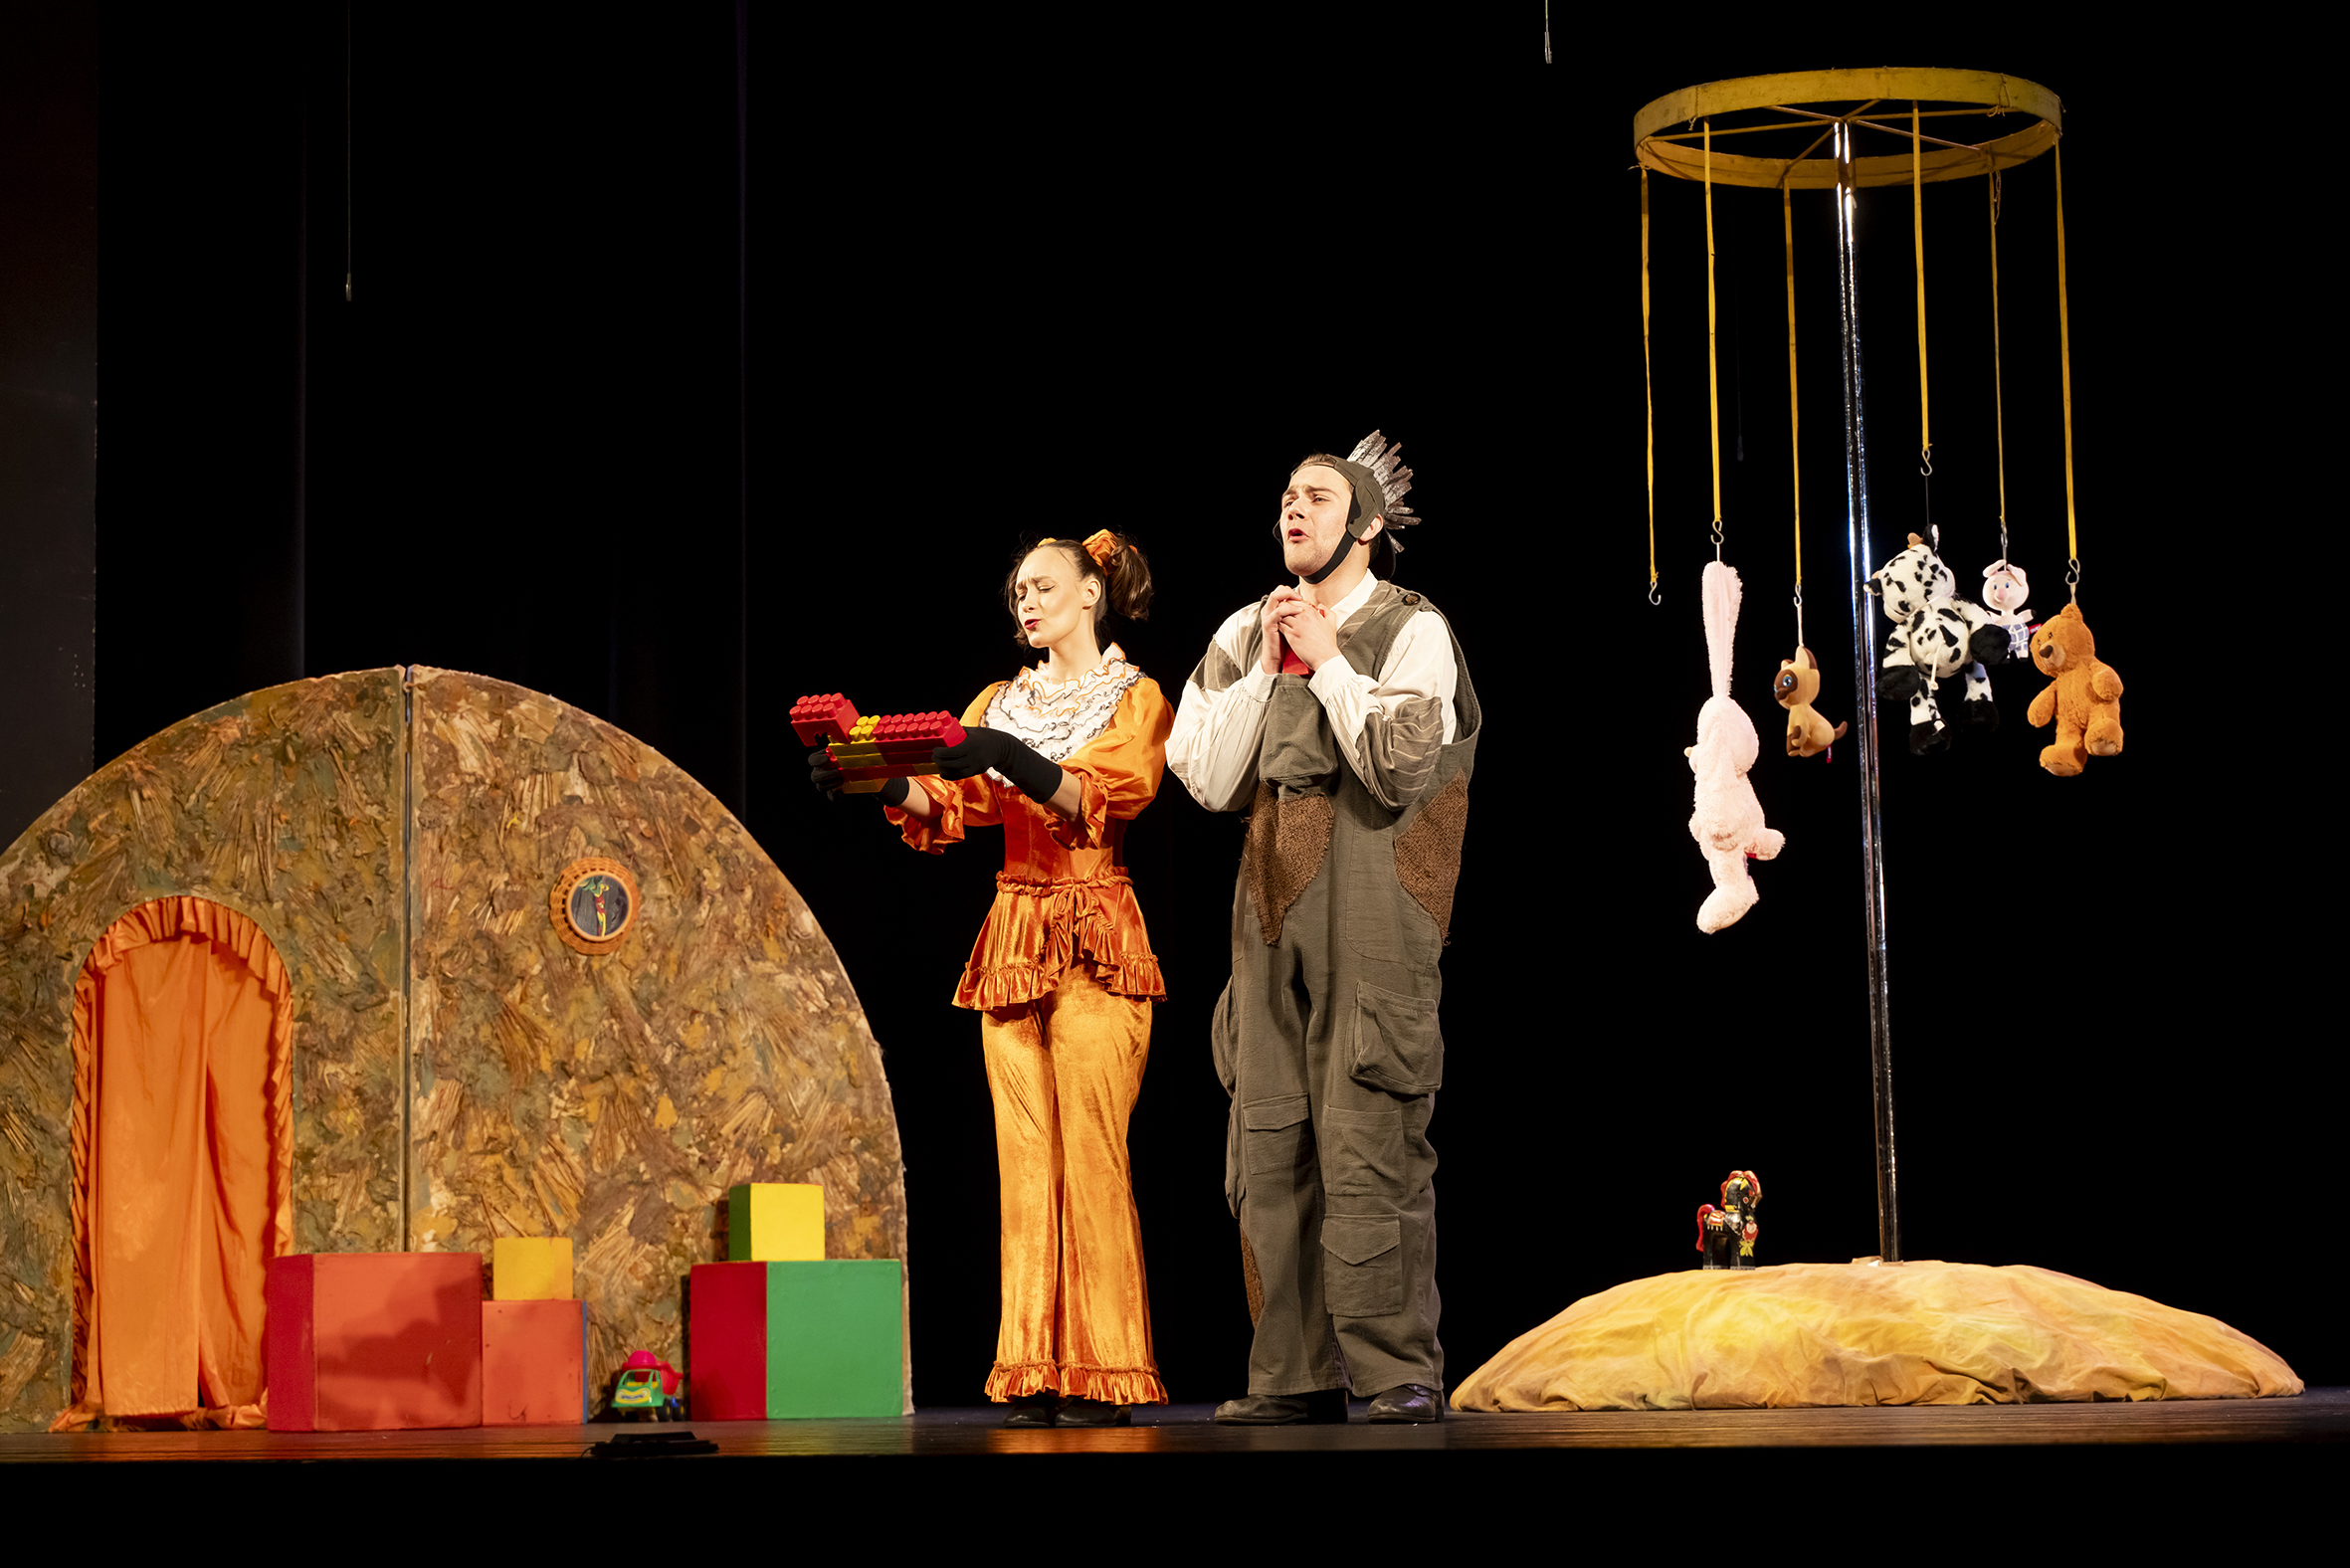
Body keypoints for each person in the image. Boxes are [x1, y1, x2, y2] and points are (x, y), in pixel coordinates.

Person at [810, 529, 1171, 1428]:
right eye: (1019, 592)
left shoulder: (1134, 696)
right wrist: (877, 782)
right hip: (1014, 937)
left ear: (1091, 593)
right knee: (1025, 1161)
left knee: (1092, 1155)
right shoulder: (999, 701)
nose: (1028, 602)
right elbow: (947, 806)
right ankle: (1035, 1370)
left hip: (1096, 932)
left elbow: (1103, 798)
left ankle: (1106, 1371)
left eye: (1044, 586)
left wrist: (1008, 755)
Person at [1164, 433, 1478, 1425]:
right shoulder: (1242, 630)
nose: (1294, 509)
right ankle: (1290, 1376)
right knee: (1268, 1140)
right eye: (1288, 497)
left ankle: (1395, 1372)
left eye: (1318, 496)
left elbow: (1399, 765)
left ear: (1368, 525)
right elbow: (1207, 778)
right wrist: (1268, 669)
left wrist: (1331, 660)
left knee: (1368, 1135)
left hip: (1376, 911)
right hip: (1267, 912)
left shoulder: (1411, 629)